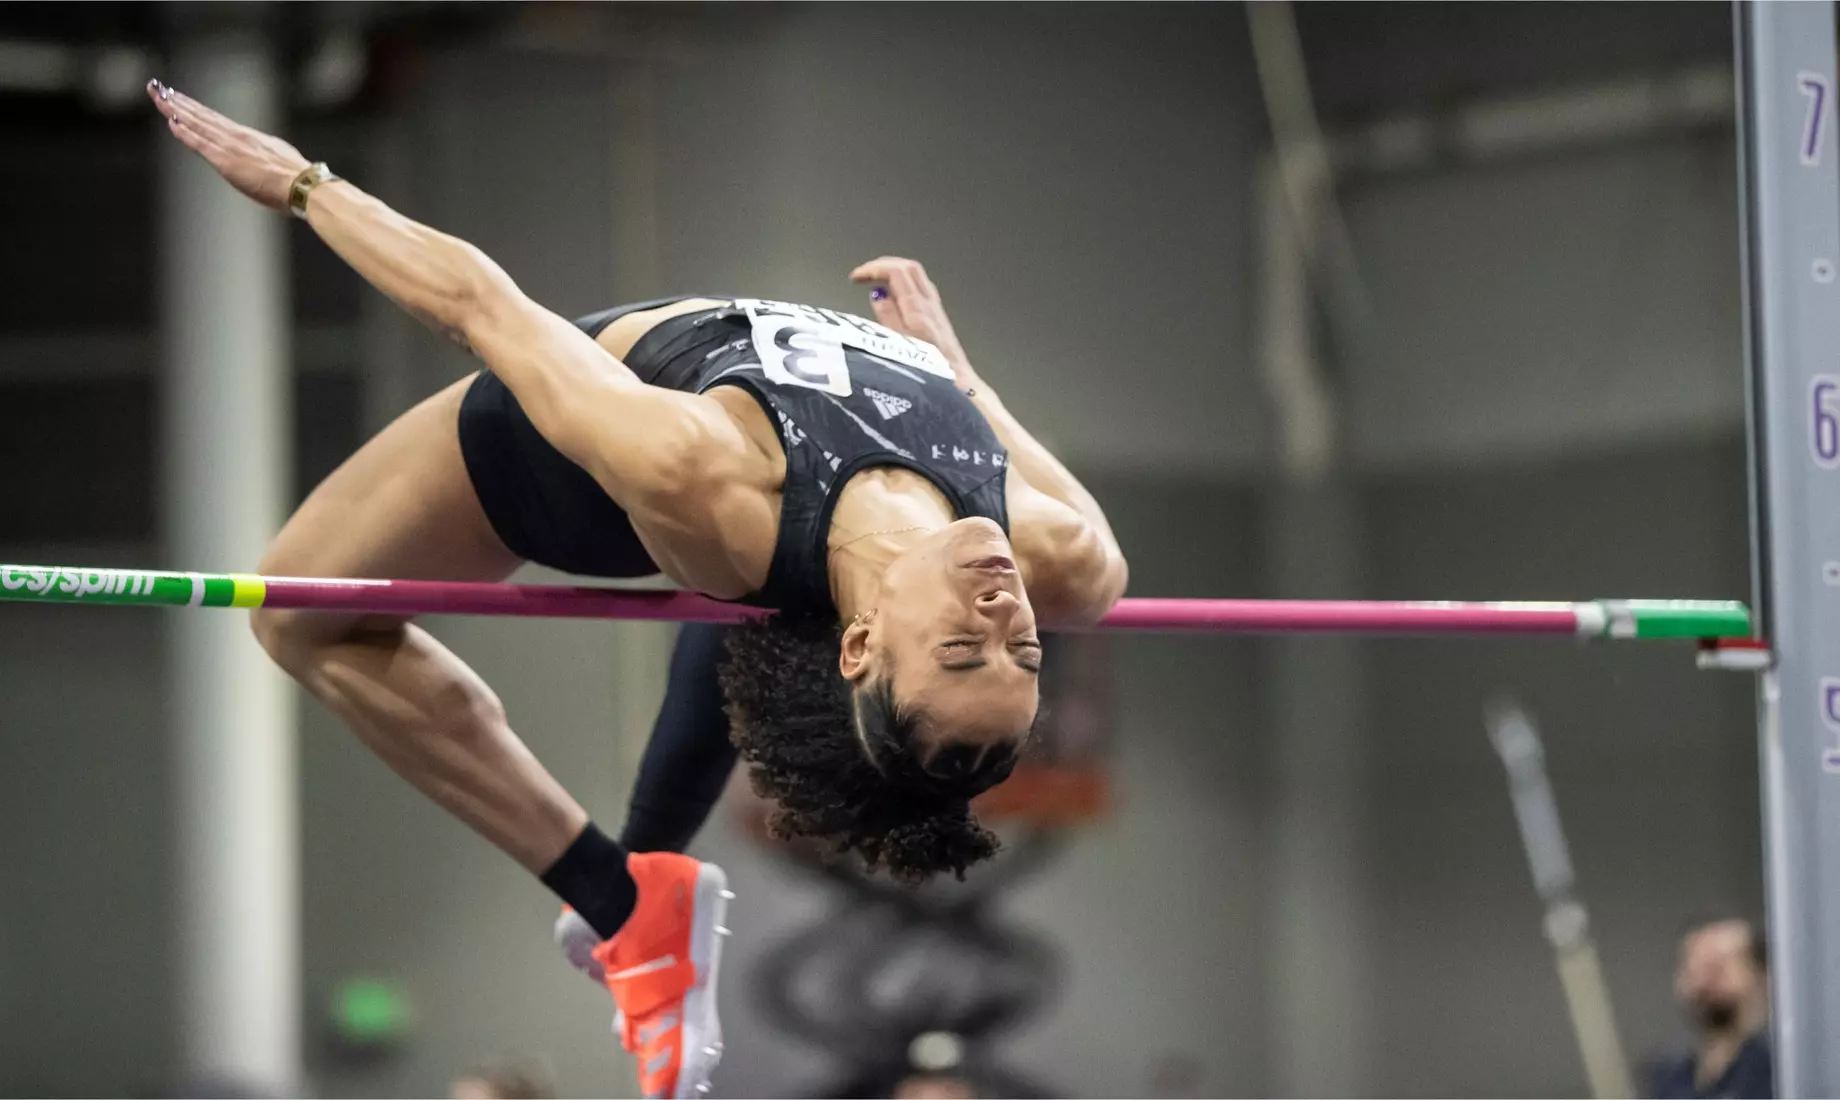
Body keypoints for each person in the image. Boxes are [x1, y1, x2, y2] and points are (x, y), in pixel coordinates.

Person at [146, 82, 1128, 1099]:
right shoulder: (1069, 561)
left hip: (559, 461)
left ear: (862, 642)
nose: (1004, 613)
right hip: (760, 521)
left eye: (963, 650)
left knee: (293, 614)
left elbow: (483, 307)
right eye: (1022, 652)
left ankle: (614, 891)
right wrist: (955, 369)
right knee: (771, 579)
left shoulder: (701, 474)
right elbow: (993, 431)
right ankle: (646, 888)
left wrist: (305, 185)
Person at [1648, 918, 1774, 1100]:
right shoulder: (1669, 1077)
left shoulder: (1779, 1070)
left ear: (1760, 976)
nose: (1702, 983)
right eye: (1693, 970)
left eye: (1716, 968)